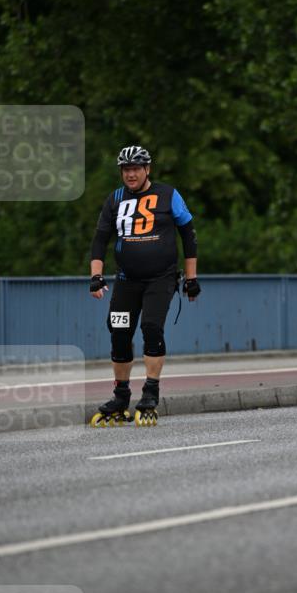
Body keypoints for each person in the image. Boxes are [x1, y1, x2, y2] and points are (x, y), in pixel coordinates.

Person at [88, 144, 200, 426]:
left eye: (136, 168)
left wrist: (191, 278)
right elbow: (100, 239)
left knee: (151, 327)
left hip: (160, 279)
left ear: (147, 169)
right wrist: (96, 276)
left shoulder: (168, 195)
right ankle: (121, 396)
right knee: (119, 332)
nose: (131, 174)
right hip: (126, 280)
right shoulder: (115, 198)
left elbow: (188, 235)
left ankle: (150, 393)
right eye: (126, 169)